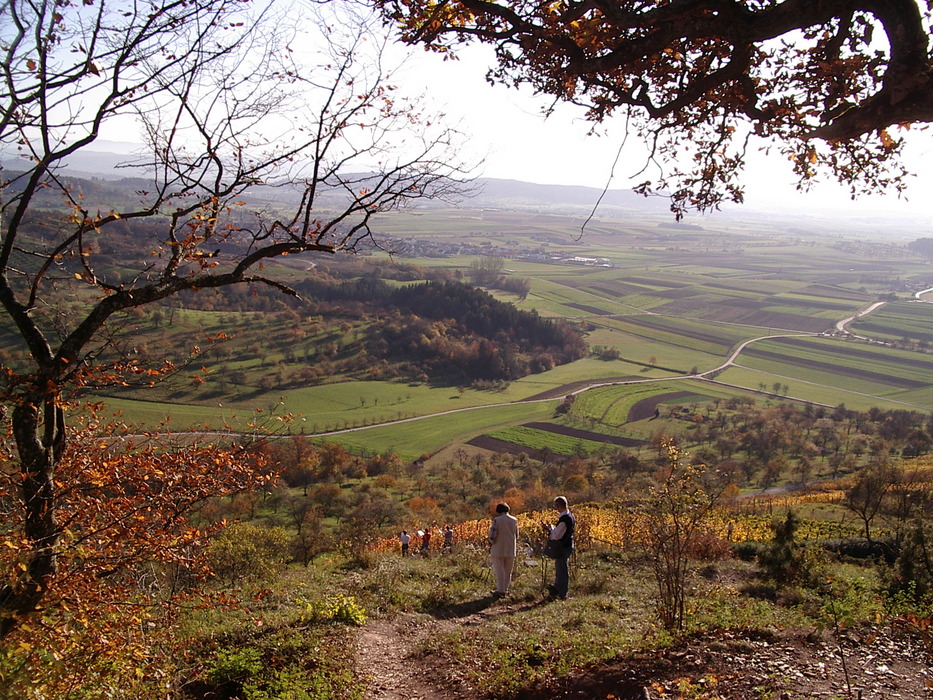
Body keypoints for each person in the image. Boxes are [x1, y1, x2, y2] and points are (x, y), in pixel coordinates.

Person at [544, 495, 575, 600]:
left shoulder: (564, 519)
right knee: (561, 568)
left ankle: (561, 592)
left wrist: (550, 530)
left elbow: (556, 536)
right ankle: (559, 589)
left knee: (561, 569)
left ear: (558, 506)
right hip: (567, 545)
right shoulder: (570, 516)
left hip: (562, 547)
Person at [488, 502, 519, 598]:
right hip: (510, 548)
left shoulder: (497, 520)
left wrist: (490, 542)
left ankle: (500, 590)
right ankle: (505, 589)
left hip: (498, 548)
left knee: (500, 570)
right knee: (508, 571)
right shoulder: (514, 520)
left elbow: (493, 535)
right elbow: (517, 534)